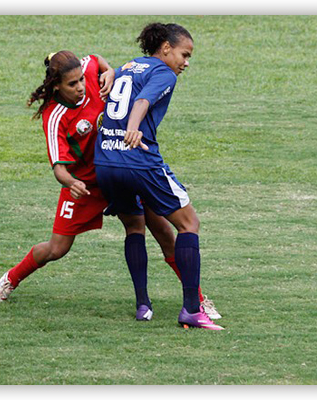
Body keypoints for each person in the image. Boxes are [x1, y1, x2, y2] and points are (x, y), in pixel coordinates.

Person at [0, 50, 221, 321]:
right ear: (57, 86)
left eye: (82, 80)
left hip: (118, 169)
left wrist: (109, 71)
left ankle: (198, 300)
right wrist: (72, 182)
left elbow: (95, 59)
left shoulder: (87, 71)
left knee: (165, 235)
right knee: (56, 248)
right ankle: (10, 279)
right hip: (85, 184)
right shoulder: (55, 116)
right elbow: (59, 169)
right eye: (72, 84)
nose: (82, 87)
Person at [94, 23, 224, 330]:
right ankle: (193, 309)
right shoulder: (163, 73)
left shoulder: (126, 67)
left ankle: (143, 305)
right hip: (138, 159)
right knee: (189, 223)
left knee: (134, 226)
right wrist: (134, 127)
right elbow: (141, 103)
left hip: (106, 163)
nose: (186, 63)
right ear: (165, 47)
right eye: (184, 54)